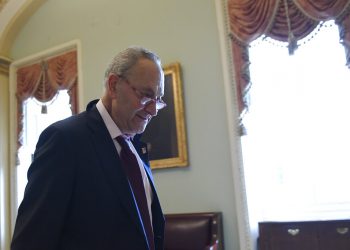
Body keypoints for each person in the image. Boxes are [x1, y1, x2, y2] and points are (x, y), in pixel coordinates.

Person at [11, 46, 166, 250]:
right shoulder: (64, 140)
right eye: (146, 96)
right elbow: (31, 240)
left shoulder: (135, 145)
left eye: (158, 99)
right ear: (113, 85)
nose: (154, 110)